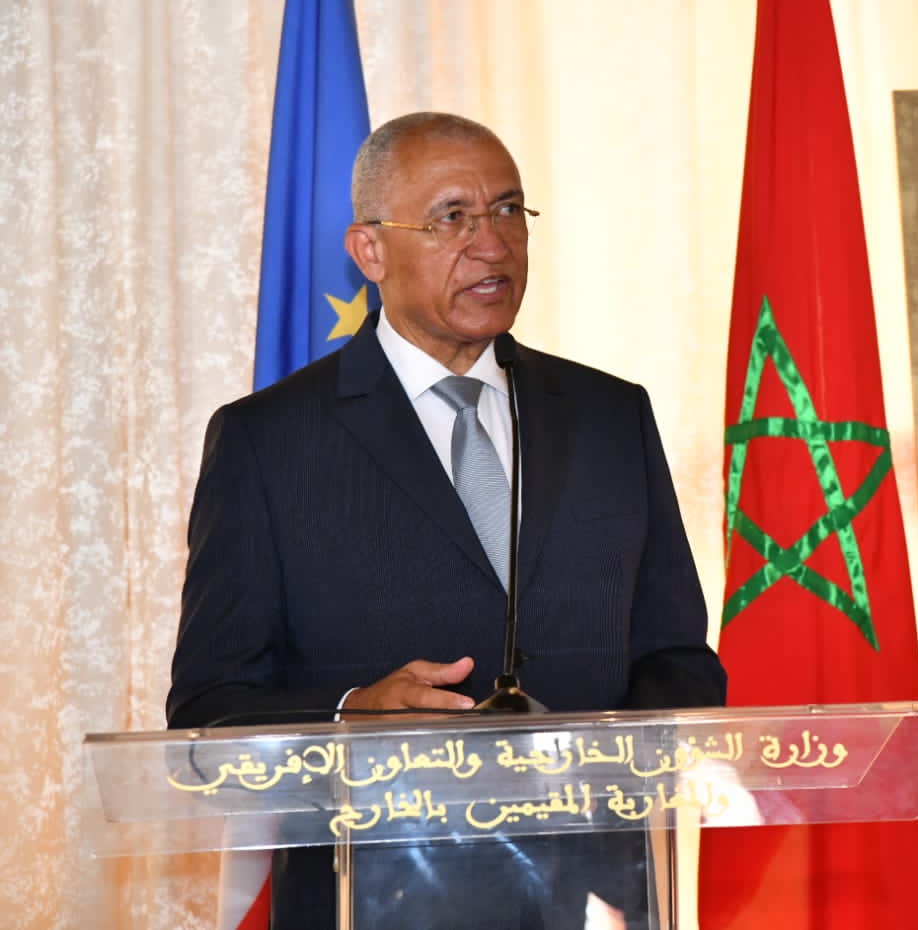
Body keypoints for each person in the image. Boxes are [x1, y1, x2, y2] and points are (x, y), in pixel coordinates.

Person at [167, 111, 726, 926]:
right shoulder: (270, 441)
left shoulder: (610, 416)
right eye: (451, 218)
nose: (492, 244)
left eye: (507, 210)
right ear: (370, 251)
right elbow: (209, 706)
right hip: (371, 892)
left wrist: (615, 765)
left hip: (589, 895)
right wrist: (351, 709)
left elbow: (675, 657)